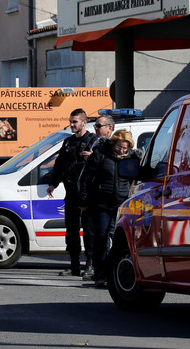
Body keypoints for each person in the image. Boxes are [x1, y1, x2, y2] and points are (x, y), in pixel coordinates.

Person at [79, 129, 141, 287]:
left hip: (123, 204)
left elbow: (138, 179)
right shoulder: (101, 155)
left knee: (121, 240)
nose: (122, 150)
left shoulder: (132, 159)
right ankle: (100, 274)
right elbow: (86, 179)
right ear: (114, 144)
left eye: (125, 148)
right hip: (102, 203)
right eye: (119, 147)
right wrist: (84, 201)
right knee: (102, 238)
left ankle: (115, 271)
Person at [47, 108, 95, 276]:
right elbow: (59, 165)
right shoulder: (68, 142)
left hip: (86, 194)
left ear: (84, 122)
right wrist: (53, 183)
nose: (72, 125)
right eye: (71, 121)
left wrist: (92, 157)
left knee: (89, 230)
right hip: (71, 192)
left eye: (75, 122)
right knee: (71, 230)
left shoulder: (92, 141)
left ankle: (90, 265)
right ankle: (74, 265)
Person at [78, 114, 115, 281]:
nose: (95, 129)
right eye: (95, 126)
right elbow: (86, 177)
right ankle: (97, 269)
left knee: (106, 236)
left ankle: (104, 270)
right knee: (95, 235)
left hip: (111, 200)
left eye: (99, 126)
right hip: (96, 199)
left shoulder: (113, 148)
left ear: (110, 128)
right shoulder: (95, 145)